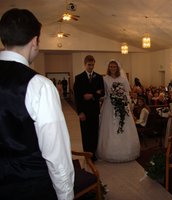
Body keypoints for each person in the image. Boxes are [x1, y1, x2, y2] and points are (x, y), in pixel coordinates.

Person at [0, 8, 74, 199]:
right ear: (35, 41)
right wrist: (66, 194)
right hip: (30, 186)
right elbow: (56, 154)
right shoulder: (39, 85)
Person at [96, 60, 140, 162]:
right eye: (111, 66)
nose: (112, 68)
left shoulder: (123, 79)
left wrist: (124, 101)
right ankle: (108, 151)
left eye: (114, 66)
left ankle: (127, 151)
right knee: (110, 127)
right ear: (108, 68)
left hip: (121, 105)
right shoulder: (105, 79)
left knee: (123, 125)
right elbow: (104, 93)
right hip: (109, 105)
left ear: (117, 68)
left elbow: (127, 93)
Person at [73, 55, 104, 161]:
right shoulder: (79, 78)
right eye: (89, 65)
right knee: (86, 134)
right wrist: (80, 112)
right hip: (84, 111)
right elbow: (77, 97)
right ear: (85, 64)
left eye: (92, 65)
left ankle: (93, 154)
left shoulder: (99, 77)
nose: (91, 67)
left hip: (95, 110)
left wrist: (92, 95)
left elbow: (102, 92)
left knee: (95, 132)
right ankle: (87, 155)